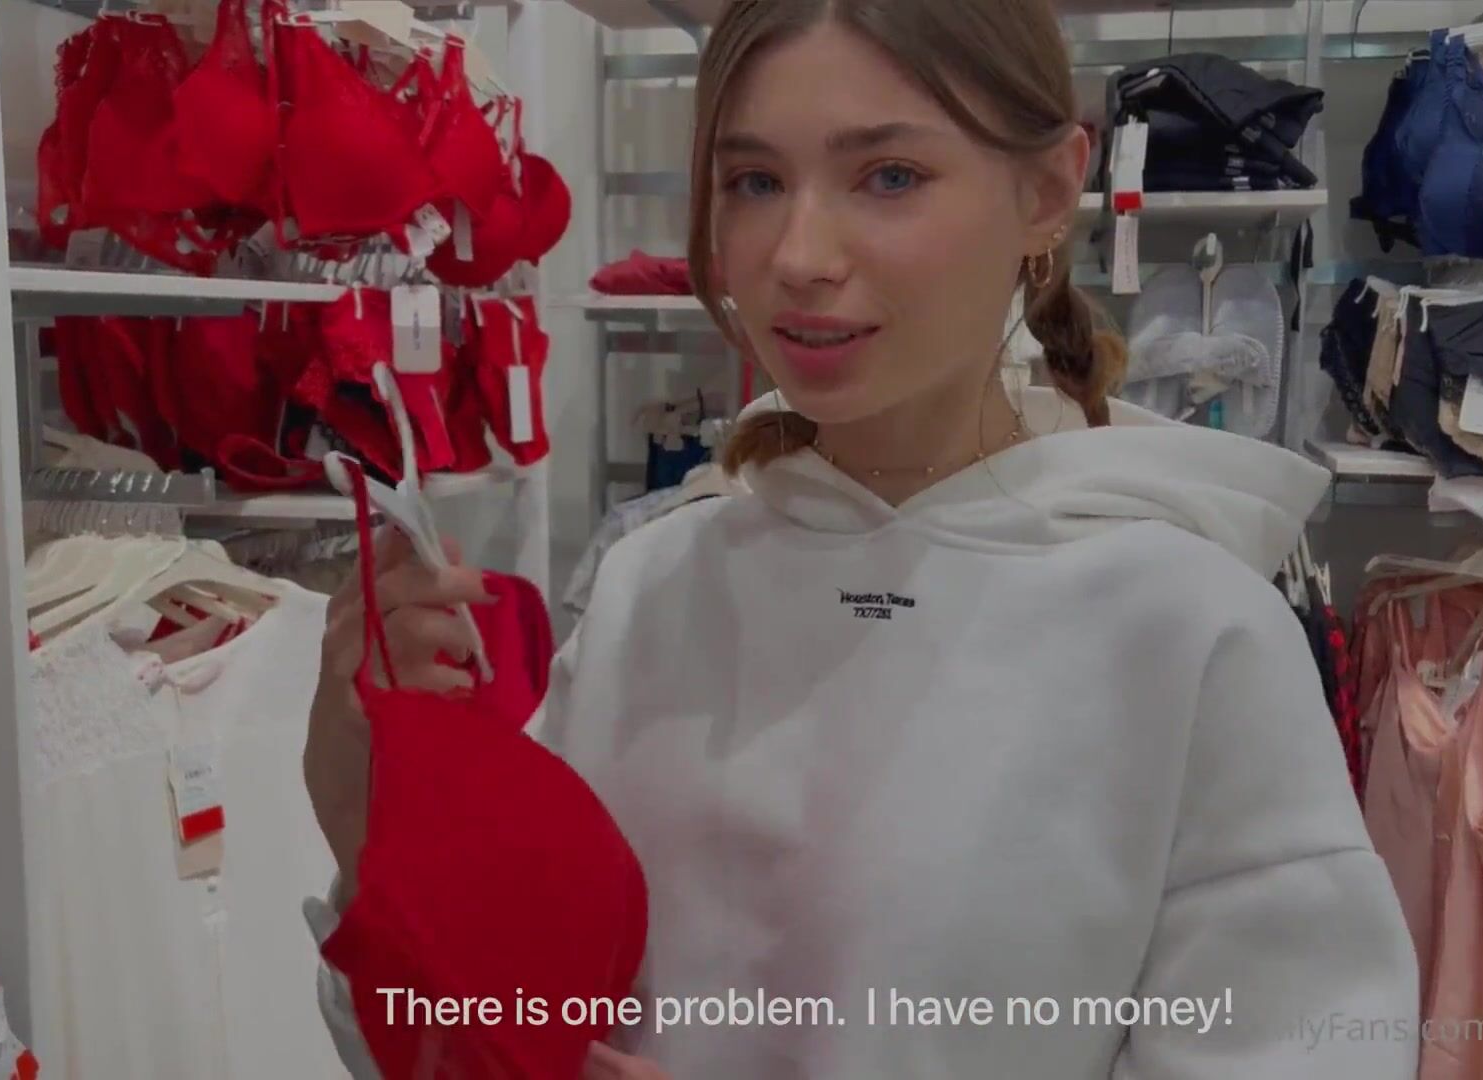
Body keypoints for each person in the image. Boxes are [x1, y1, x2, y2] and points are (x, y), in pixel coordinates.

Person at [303, 1, 1421, 1076]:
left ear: (1045, 191)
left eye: (888, 176)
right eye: (753, 182)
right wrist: (373, 820)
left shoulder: (1191, 634)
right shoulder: (653, 591)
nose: (798, 254)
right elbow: (483, 1038)